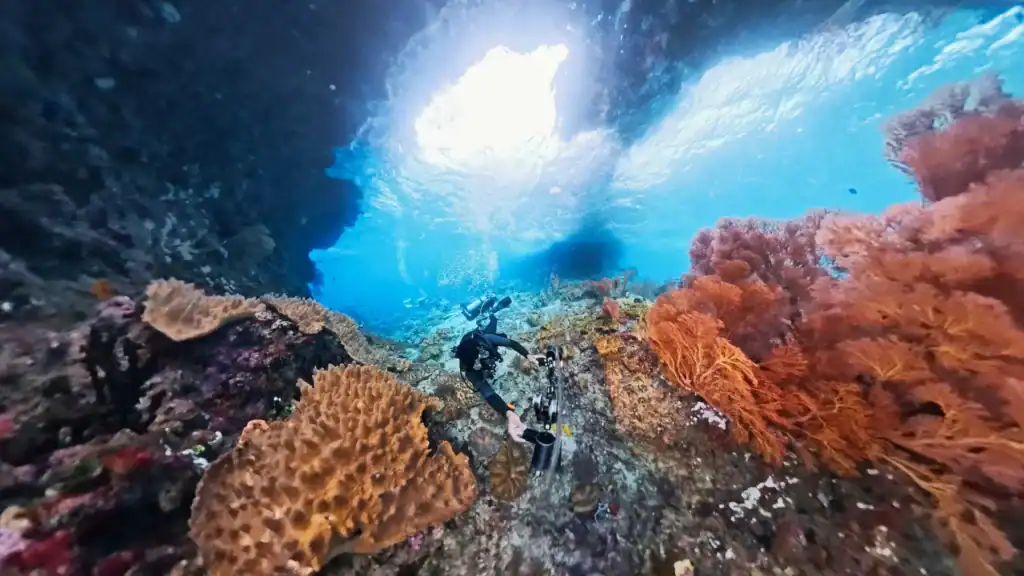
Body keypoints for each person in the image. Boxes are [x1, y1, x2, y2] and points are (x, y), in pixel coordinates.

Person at [454, 312, 543, 442]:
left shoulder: (486, 339)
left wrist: (528, 355)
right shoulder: (469, 371)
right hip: (476, 351)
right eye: (477, 364)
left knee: (492, 326)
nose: (481, 361)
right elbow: (488, 394)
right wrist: (508, 412)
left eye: (482, 356)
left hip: (484, 336)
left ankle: (492, 314)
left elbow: (511, 343)